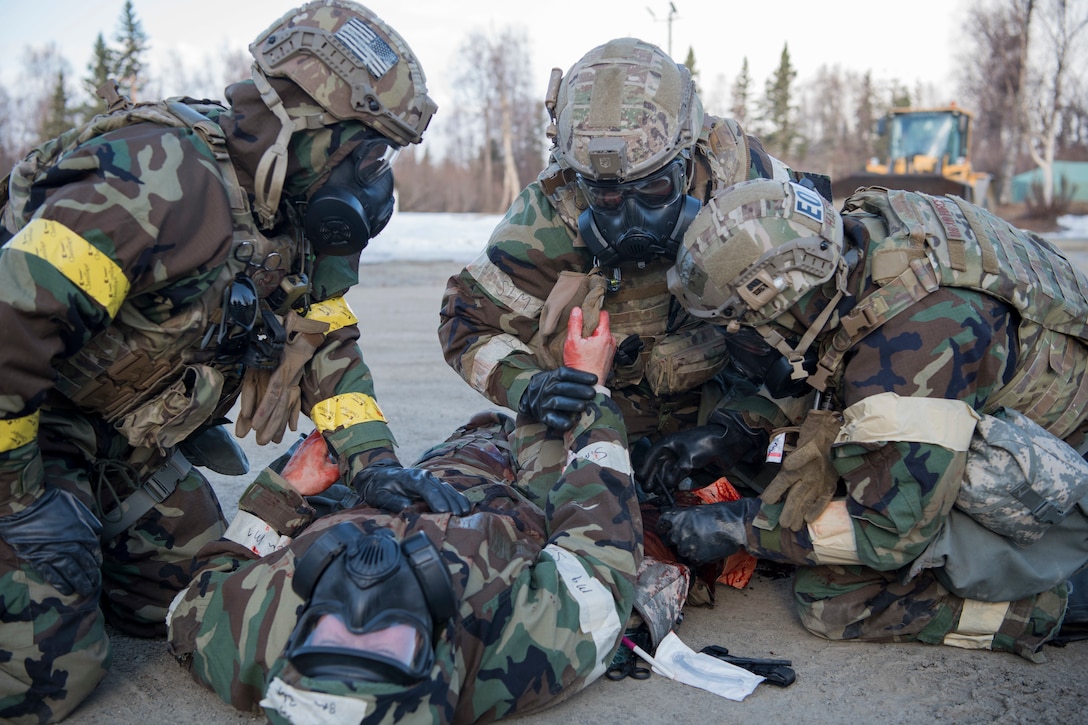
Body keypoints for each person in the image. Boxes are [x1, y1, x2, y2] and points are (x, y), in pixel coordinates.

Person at [0, 2, 464, 721]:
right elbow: (8, 325)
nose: (376, 181)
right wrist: (20, 501)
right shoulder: (160, 178)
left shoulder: (294, 210)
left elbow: (327, 335)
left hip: (119, 447)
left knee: (197, 602)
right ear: (302, 125)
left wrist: (374, 462)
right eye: (366, 152)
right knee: (45, 676)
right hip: (25, 433)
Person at [646, 177, 1088, 661]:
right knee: (790, 472)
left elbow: (890, 534)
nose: (743, 342)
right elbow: (835, 365)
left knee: (835, 599)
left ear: (788, 302)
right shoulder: (857, 244)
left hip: (1057, 474)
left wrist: (739, 527)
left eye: (747, 326)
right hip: (992, 406)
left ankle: (1050, 606)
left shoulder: (909, 347)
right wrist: (734, 431)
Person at [166, 306, 643, 725]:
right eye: (389, 641)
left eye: (328, 633)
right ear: (436, 666)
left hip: (394, 490)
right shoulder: (536, 648)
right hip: (509, 495)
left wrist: (287, 491)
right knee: (549, 413)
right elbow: (600, 537)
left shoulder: (246, 643)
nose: (367, 595)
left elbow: (201, 589)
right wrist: (592, 389)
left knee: (361, 448)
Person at [438, 36, 830, 506]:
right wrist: (533, 387)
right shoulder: (546, 218)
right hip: (588, 410)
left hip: (727, 402)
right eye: (606, 197)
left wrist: (738, 428)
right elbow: (467, 326)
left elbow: (821, 331)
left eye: (654, 189)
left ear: (688, 156)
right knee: (569, 514)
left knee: (802, 491)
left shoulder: (750, 186)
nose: (630, 219)